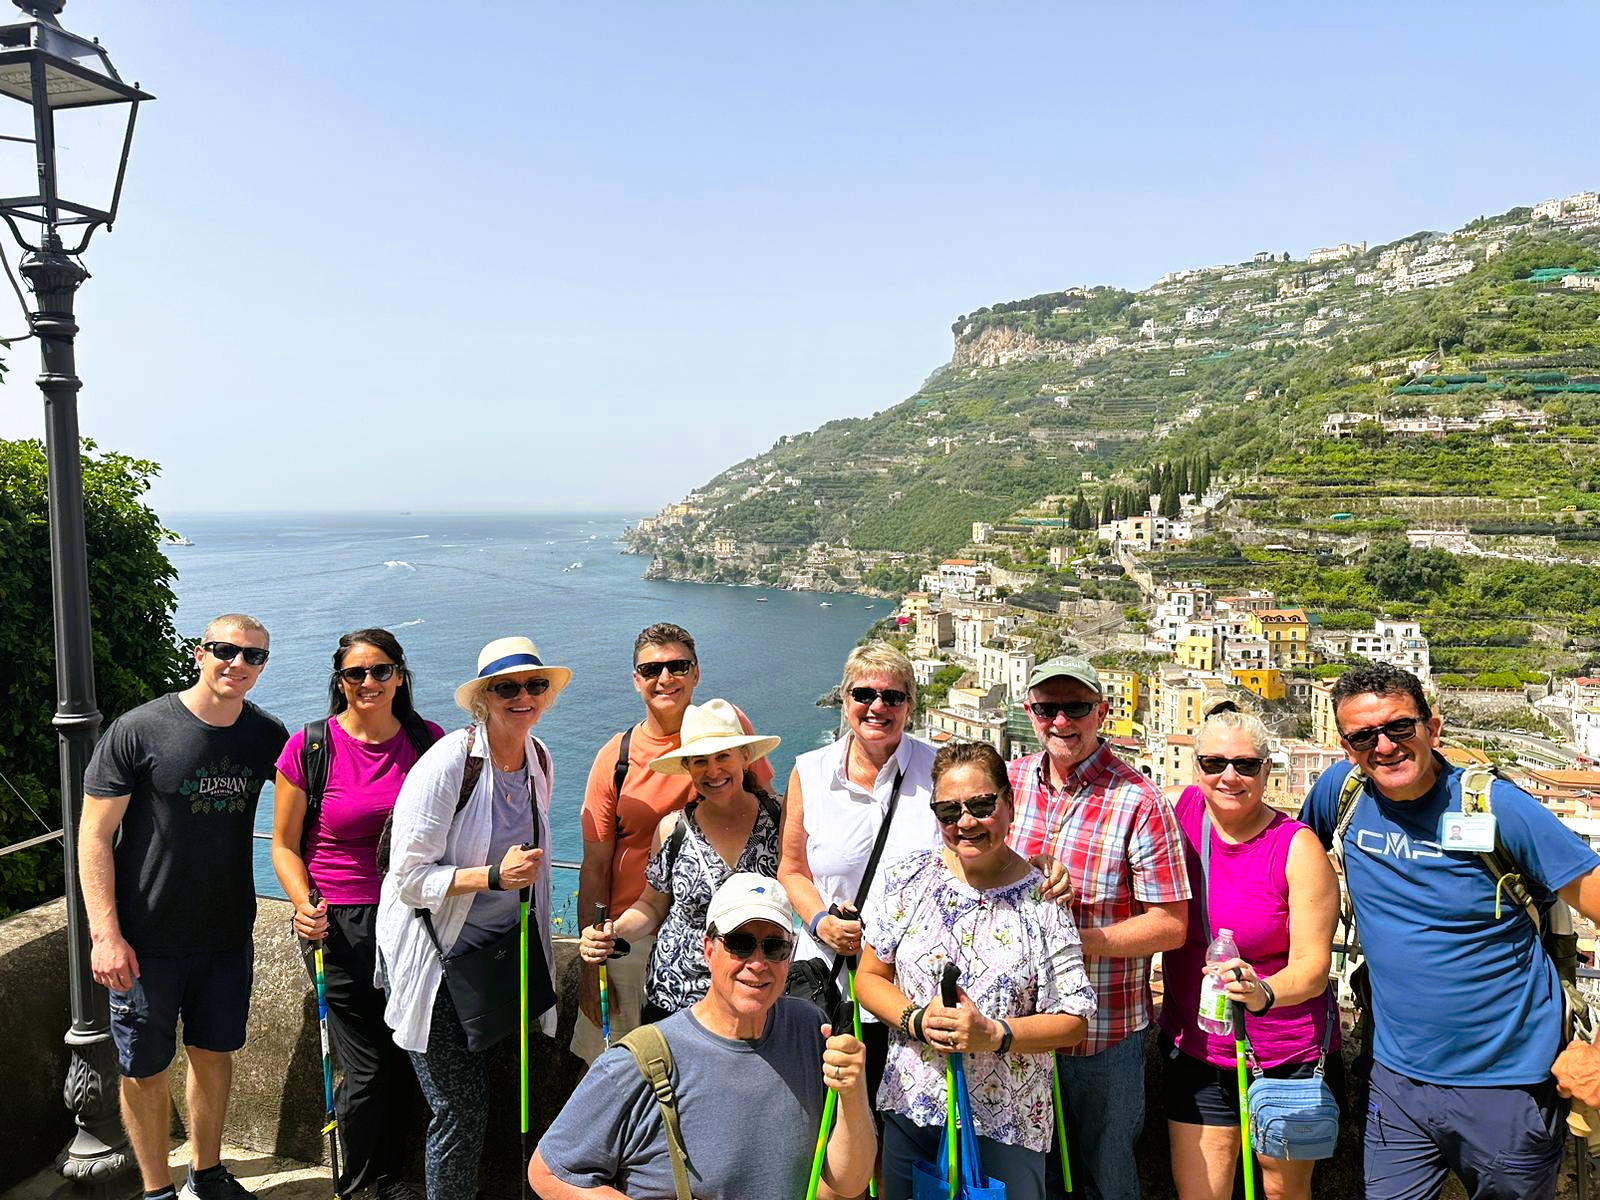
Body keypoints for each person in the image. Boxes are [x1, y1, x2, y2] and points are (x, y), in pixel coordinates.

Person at [1301, 663, 1600, 1200]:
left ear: (1432, 729)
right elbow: (1281, 864)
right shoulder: (1340, 794)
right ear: (1347, 748)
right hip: (1393, 1084)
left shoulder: (1497, 807)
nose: (1385, 746)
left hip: (1509, 1089)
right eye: (1364, 736)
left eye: (1399, 727)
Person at [79, 614, 289, 1200]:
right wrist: (105, 935)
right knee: (143, 1068)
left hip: (225, 934)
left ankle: (208, 1171)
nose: (238, 664)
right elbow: (94, 837)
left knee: (214, 1052)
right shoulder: (141, 729)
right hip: (145, 938)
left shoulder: (267, 736)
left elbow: (312, 807)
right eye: (226, 650)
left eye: (254, 657)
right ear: (200, 653)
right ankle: (156, 1189)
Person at [530, 873, 876, 1200]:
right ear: (708, 949)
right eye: (740, 944)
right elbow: (549, 1172)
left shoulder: (808, 1028)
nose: (757, 963)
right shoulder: (642, 1059)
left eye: (774, 947)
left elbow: (849, 1183)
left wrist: (852, 1091)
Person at [856, 742, 1097, 1200]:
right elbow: (869, 976)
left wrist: (994, 1034)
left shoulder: (1043, 899)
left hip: (1008, 1118)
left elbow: (1075, 1020)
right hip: (914, 1106)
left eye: (981, 805)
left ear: (1009, 804)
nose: (965, 822)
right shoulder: (908, 879)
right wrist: (917, 1020)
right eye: (948, 810)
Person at [375, 636, 569, 1200]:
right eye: (506, 687)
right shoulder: (447, 764)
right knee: (458, 1111)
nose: (522, 696)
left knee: (484, 1101)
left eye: (535, 685)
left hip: (495, 961)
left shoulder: (539, 759)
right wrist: (490, 877)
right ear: (482, 699)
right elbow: (407, 878)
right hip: (438, 966)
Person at [1007, 655, 1191, 1200]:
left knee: (1106, 1179)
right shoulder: (1008, 784)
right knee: (1025, 1180)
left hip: (1102, 1034)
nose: (1061, 721)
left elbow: (1171, 925)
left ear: (1102, 712)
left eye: (1076, 707)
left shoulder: (1141, 802)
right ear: (1029, 712)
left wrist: (1070, 945)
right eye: (1047, 709)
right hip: (1017, 1029)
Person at [271, 628, 443, 1200]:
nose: (368, 683)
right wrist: (302, 906)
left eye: (381, 671)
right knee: (366, 1069)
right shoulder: (310, 746)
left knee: (408, 1057)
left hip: (414, 919)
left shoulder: (429, 741)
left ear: (400, 675)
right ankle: (362, 1185)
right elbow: (284, 845)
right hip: (338, 921)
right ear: (339, 681)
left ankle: (399, 1179)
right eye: (355, 674)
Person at [1159, 705, 1339, 1200]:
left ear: (1266, 769)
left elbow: (1313, 968)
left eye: (1245, 765)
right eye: (1214, 764)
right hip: (1197, 1049)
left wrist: (1260, 992)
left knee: (1283, 1193)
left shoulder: (1297, 849)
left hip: (1285, 1052)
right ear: (1196, 768)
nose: (1229, 776)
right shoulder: (1175, 816)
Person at [572, 623, 773, 1063]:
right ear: (636, 679)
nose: (665, 678)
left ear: (696, 673)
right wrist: (592, 964)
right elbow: (594, 867)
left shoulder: (729, 728)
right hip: (635, 940)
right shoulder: (617, 757)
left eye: (677, 665)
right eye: (652, 668)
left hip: (733, 949)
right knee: (622, 1071)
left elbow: (764, 812)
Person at [779, 641, 942, 1098]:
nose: (877, 706)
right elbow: (791, 870)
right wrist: (821, 922)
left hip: (912, 990)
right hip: (831, 983)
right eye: (863, 694)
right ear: (845, 699)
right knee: (826, 1131)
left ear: (910, 705)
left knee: (900, 1136)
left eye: (892, 696)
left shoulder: (939, 771)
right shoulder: (810, 773)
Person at [579, 699, 782, 1020]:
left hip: (755, 988)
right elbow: (652, 905)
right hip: (676, 991)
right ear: (687, 768)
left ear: (745, 758)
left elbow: (800, 882)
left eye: (722, 757)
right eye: (699, 761)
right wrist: (612, 932)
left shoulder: (778, 818)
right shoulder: (672, 829)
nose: (713, 770)